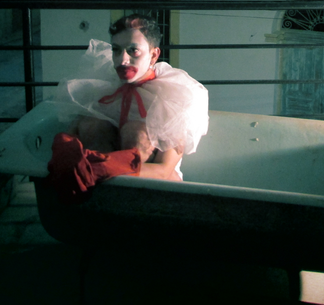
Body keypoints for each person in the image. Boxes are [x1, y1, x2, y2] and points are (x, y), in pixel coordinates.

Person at [47, 14, 209, 200]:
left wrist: (104, 168)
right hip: (105, 192)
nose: (122, 60)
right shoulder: (104, 84)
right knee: (92, 125)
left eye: (133, 50)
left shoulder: (174, 95)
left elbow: (164, 170)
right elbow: (73, 131)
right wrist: (64, 151)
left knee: (137, 132)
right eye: (116, 50)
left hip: (157, 194)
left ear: (154, 55)